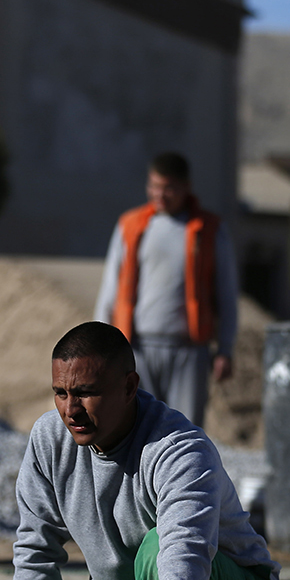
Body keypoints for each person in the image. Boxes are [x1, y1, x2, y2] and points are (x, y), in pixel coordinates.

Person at [14, 321, 279, 580]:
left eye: (86, 392)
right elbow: (35, 548)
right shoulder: (50, 441)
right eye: (61, 393)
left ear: (129, 386)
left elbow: (185, 548)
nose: (71, 409)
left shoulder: (178, 449)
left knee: (158, 548)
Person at [94, 152, 238, 428]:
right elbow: (110, 290)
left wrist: (225, 349)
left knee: (184, 431)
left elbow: (227, 294)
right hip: (138, 350)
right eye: (154, 186)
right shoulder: (130, 226)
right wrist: (100, 346)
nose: (159, 195)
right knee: (136, 428)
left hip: (190, 352)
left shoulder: (210, 230)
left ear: (186, 187)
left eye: (168, 188)